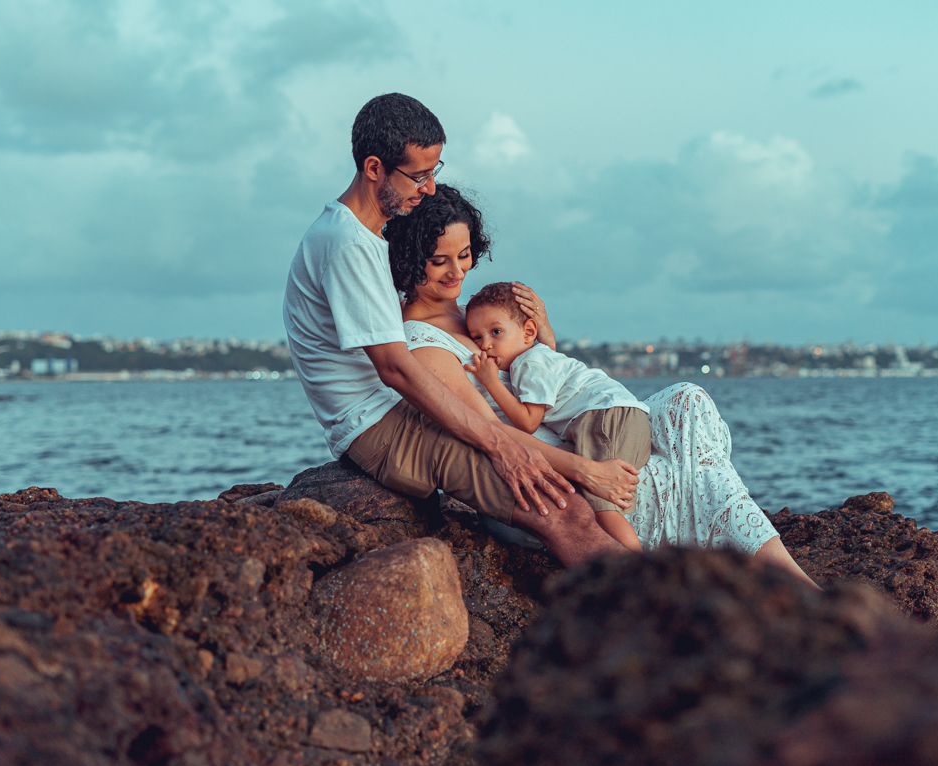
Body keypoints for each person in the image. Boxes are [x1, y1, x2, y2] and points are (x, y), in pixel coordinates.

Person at [383, 184, 819, 589]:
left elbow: (545, 383)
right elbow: (486, 437)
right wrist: (589, 472)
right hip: (550, 482)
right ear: (407, 259)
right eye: (439, 260)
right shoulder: (423, 345)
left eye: (464, 254)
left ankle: (758, 569)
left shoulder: (476, 316)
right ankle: (789, 585)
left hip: (578, 443)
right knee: (698, 476)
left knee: (688, 400)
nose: (456, 271)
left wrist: (545, 340)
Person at [282, 93, 637, 567]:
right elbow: (396, 370)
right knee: (560, 509)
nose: (429, 189)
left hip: (396, 412)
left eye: (435, 171)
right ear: (373, 168)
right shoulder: (348, 244)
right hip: (380, 429)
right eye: (419, 175)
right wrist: (501, 446)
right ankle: (652, 622)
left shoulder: (360, 237)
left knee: (559, 494)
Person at [462, 282, 651, 553]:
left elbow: (528, 422)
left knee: (603, 508)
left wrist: (491, 382)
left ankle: (636, 565)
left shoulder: (529, 363)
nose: (487, 345)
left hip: (604, 418)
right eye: (477, 338)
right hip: (624, 417)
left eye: (496, 332)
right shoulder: (540, 356)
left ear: (528, 331)